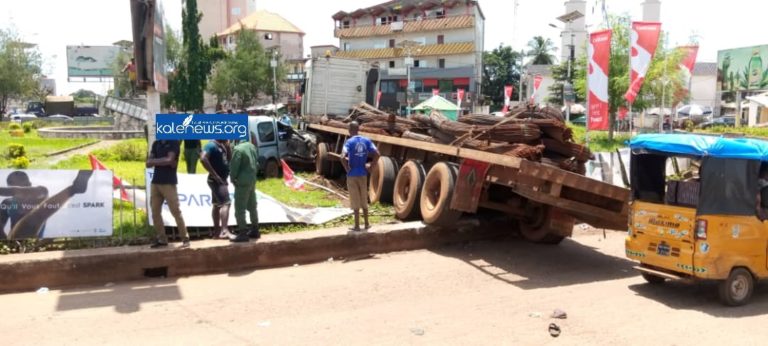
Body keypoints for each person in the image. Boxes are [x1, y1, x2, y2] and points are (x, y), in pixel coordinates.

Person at [0, 170, 93, 240]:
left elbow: (19, 191)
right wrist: (6, 244)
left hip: (34, 239)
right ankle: (74, 188)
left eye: (26, 184)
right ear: (9, 185)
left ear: (30, 184)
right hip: (13, 239)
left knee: (36, 215)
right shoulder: (7, 203)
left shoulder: (40, 191)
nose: (18, 174)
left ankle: (74, 188)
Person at [146, 139, 190, 248]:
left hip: (169, 182)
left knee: (175, 211)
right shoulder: (156, 143)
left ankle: (185, 238)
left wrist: (155, 161)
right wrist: (164, 161)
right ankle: (162, 239)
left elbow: (170, 159)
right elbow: (148, 163)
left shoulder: (173, 143)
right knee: (155, 212)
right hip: (155, 182)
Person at [341, 121, 380, 231]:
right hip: (363, 173)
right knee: (364, 197)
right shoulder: (366, 140)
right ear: (358, 129)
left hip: (352, 174)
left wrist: (347, 169)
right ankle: (367, 224)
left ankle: (357, 226)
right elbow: (377, 153)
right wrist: (371, 167)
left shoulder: (349, 142)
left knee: (355, 199)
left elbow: (342, 156)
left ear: (349, 130)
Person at [229, 133, 261, 242]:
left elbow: (234, 167)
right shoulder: (251, 146)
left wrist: (233, 178)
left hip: (242, 182)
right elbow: (257, 163)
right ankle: (255, 229)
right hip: (252, 180)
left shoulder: (238, 150)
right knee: (252, 206)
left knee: (239, 208)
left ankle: (243, 232)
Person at [201, 139, 232, 239]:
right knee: (226, 203)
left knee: (216, 205)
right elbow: (203, 158)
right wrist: (215, 176)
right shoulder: (211, 145)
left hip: (220, 179)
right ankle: (224, 230)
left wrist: (228, 148)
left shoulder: (222, 145)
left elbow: (228, 160)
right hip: (217, 181)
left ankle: (217, 232)